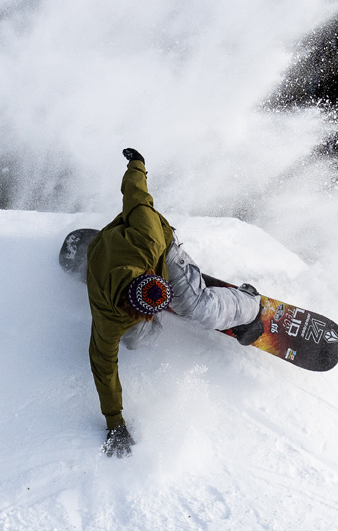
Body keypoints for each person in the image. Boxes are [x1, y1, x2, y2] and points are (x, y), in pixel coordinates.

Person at [86, 148, 263, 457]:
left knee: (199, 310)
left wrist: (136, 163)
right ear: (130, 311)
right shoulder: (108, 320)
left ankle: (249, 302)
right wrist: (114, 422)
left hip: (163, 255)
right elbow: (104, 368)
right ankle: (162, 311)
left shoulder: (148, 236)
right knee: (135, 342)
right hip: (115, 263)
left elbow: (136, 195)